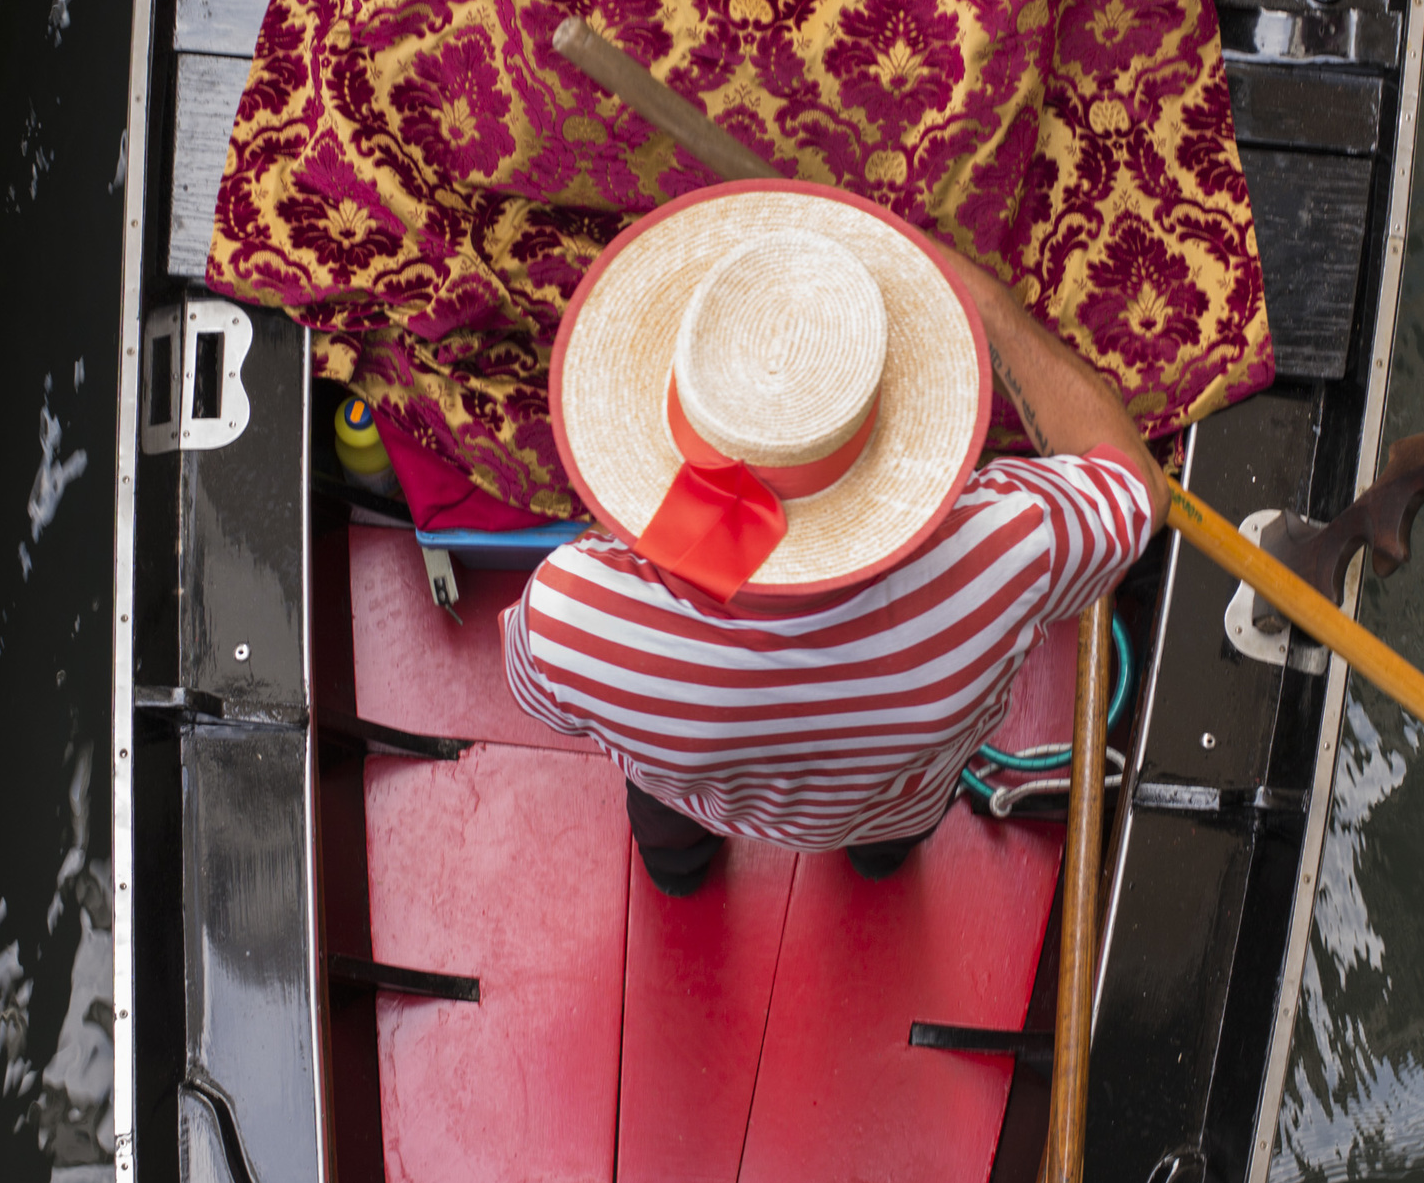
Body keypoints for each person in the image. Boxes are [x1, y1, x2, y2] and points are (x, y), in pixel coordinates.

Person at [500, 179, 1167, 894]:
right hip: (896, 803)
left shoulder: (570, 613)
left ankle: (680, 874)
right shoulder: (1009, 542)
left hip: (690, 795)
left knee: (669, 840)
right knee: (891, 841)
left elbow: (537, 696)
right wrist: (993, 309)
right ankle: (873, 864)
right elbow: (1136, 488)